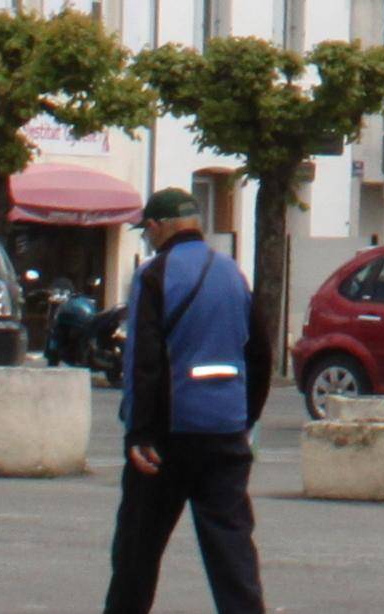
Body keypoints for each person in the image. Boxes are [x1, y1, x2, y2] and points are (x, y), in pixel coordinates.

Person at [104, 186, 266, 614]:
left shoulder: (155, 275)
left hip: (169, 438)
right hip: (226, 432)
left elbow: (144, 359)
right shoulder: (232, 272)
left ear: (157, 227)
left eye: (147, 231)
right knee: (231, 548)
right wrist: (244, 418)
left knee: (137, 549)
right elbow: (260, 355)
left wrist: (138, 432)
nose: (147, 239)